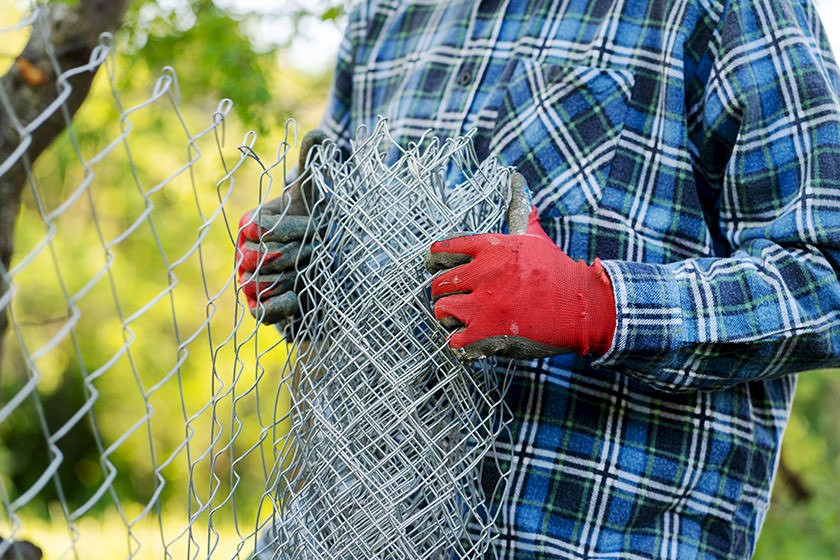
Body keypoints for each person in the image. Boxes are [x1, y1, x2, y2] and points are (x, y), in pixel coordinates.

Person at [237, 1, 840, 558]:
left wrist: (595, 306)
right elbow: (332, 232)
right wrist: (307, 267)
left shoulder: (725, 10)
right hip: (343, 532)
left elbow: (828, 275)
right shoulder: (387, 15)